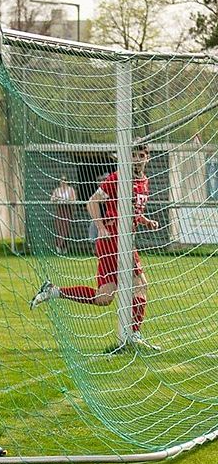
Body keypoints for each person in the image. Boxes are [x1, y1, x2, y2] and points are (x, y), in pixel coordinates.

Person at [31, 145, 160, 352]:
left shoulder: (145, 182)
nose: (137, 159)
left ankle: (53, 291)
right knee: (141, 285)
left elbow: (131, 211)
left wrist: (146, 221)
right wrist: (101, 227)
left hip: (124, 241)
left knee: (104, 298)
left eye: (141, 156)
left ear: (148, 158)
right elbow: (92, 202)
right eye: (133, 155)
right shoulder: (118, 177)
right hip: (112, 241)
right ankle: (133, 336)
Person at [51, 176, 77, 254]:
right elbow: (52, 199)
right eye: (61, 180)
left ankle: (63, 246)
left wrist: (66, 200)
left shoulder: (70, 189)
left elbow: (74, 200)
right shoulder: (57, 190)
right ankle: (58, 245)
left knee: (66, 228)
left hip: (67, 210)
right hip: (59, 209)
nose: (63, 181)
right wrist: (57, 198)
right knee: (59, 227)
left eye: (65, 180)